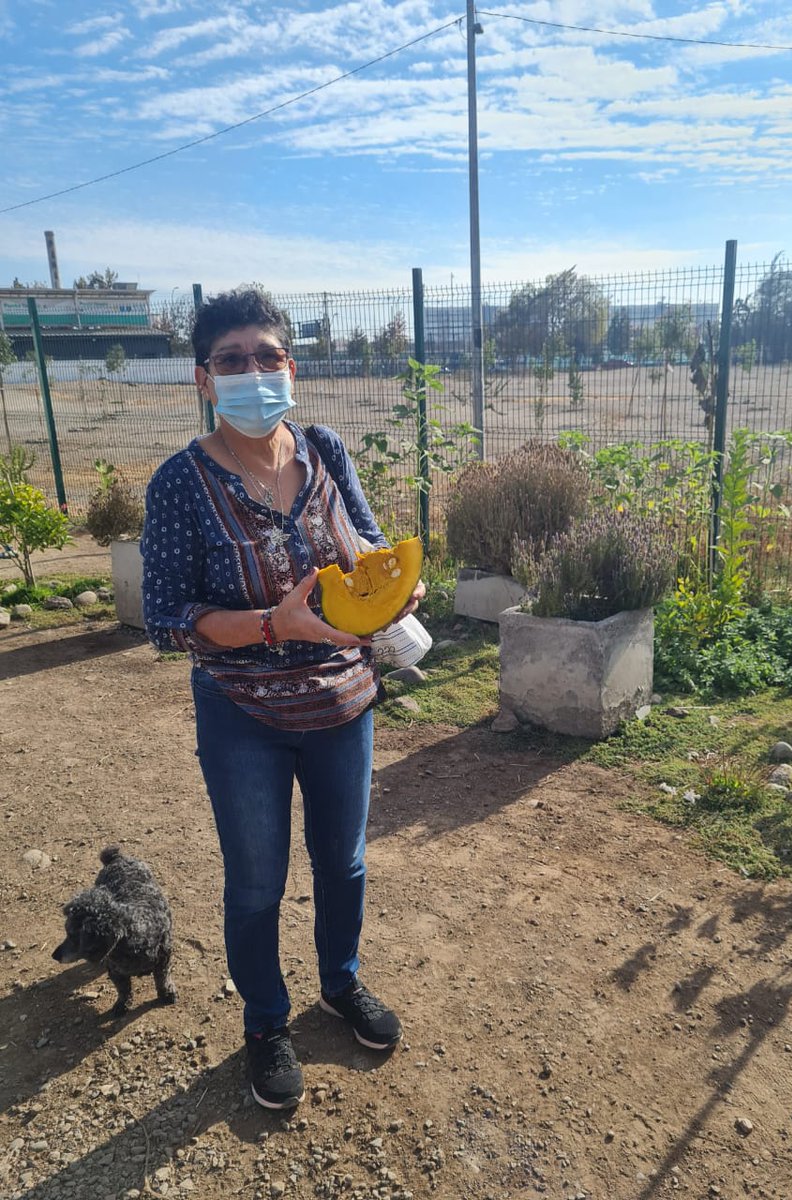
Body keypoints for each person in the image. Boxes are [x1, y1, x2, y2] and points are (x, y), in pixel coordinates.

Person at [141, 286, 424, 1110]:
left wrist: (395, 584)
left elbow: (367, 541)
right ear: (204, 379)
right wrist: (273, 622)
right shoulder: (180, 483)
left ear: (290, 366)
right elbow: (166, 619)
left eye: (268, 356)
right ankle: (266, 1023)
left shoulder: (327, 449)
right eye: (233, 361)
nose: (253, 372)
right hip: (244, 714)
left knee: (344, 863)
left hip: (345, 700)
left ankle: (340, 983)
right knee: (257, 881)